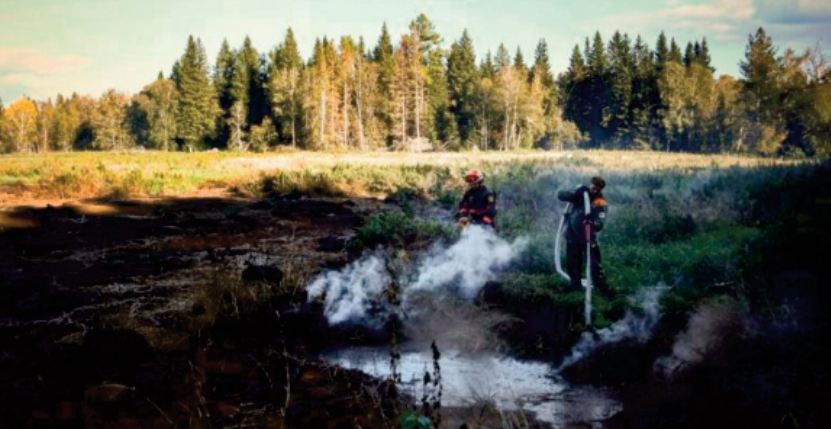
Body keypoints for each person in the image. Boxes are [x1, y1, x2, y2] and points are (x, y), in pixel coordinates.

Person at [557, 176, 610, 295]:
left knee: (594, 262)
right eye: (593, 187)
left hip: (588, 236)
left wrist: (593, 224)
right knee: (573, 261)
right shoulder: (580, 194)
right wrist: (576, 192)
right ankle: (574, 285)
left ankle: (601, 287)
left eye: (598, 189)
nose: (595, 191)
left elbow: (601, 220)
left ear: (600, 190)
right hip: (572, 235)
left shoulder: (599, 201)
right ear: (590, 184)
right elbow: (560, 195)